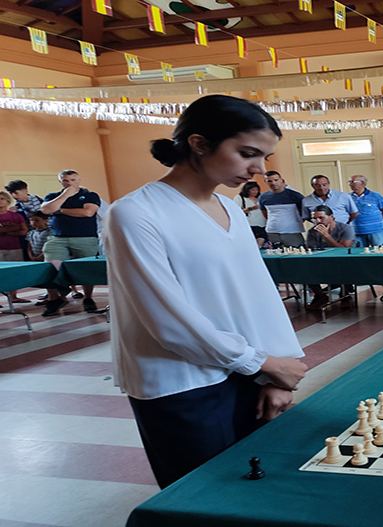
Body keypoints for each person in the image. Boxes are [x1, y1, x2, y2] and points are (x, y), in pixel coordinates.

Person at [102, 95, 307, 489]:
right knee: (204, 492)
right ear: (198, 143)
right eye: (247, 153)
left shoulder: (229, 208)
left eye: (265, 157)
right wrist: (260, 362)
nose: (259, 169)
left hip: (249, 370)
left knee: (253, 484)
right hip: (182, 382)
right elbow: (166, 318)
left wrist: (277, 373)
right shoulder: (135, 213)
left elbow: (258, 292)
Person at [39, 170, 102, 315]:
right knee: (51, 265)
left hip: (84, 237)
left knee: (86, 268)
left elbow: (87, 212)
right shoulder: (53, 196)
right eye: (66, 180)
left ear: (79, 180)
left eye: (73, 180)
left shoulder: (90, 195)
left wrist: (59, 210)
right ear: (61, 182)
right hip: (57, 238)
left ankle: (88, 297)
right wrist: (66, 195)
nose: (70, 183)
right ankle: (54, 298)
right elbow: (46, 209)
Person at [305, 205, 356, 310]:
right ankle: (320, 296)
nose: (318, 221)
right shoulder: (312, 231)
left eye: (321, 218)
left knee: (347, 266)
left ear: (331, 217)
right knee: (305, 268)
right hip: (321, 261)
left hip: (343, 261)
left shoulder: (346, 228)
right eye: (315, 219)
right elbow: (311, 249)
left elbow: (343, 250)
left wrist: (326, 236)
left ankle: (345, 295)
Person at [258, 171, 305, 248]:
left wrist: (295, 221)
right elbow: (265, 214)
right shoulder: (263, 197)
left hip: (292, 231)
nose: (273, 183)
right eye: (269, 181)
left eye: (276, 180)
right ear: (266, 182)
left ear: (281, 180)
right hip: (272, 231)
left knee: (296, 255)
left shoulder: (295, 195)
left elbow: (303, 212)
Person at [0, 190, 29, 301]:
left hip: (14, 246)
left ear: (8, 201)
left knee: (14, 272)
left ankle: (13, 296)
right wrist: (13, 228)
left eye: (2, 198)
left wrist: (5, 231)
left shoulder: (16, 216)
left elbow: (23, 231)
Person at [348, 175, 383, 247]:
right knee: (359, 253)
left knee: (379, 251)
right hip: (357, 231)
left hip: (376, 230)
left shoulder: (376, 196)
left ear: (362, 183)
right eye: (349, 182)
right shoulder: (347, 197)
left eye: (353, 182)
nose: (350, 184)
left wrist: (380, 222)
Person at [235, 181, 267, 248]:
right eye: (253, 190)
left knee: (261, 242)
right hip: (249, 224)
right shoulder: (240, 198)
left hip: (262, 224)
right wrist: (250, 208)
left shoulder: (261, 198)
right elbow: (236, 212)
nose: (255, 192)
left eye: (257, 190)